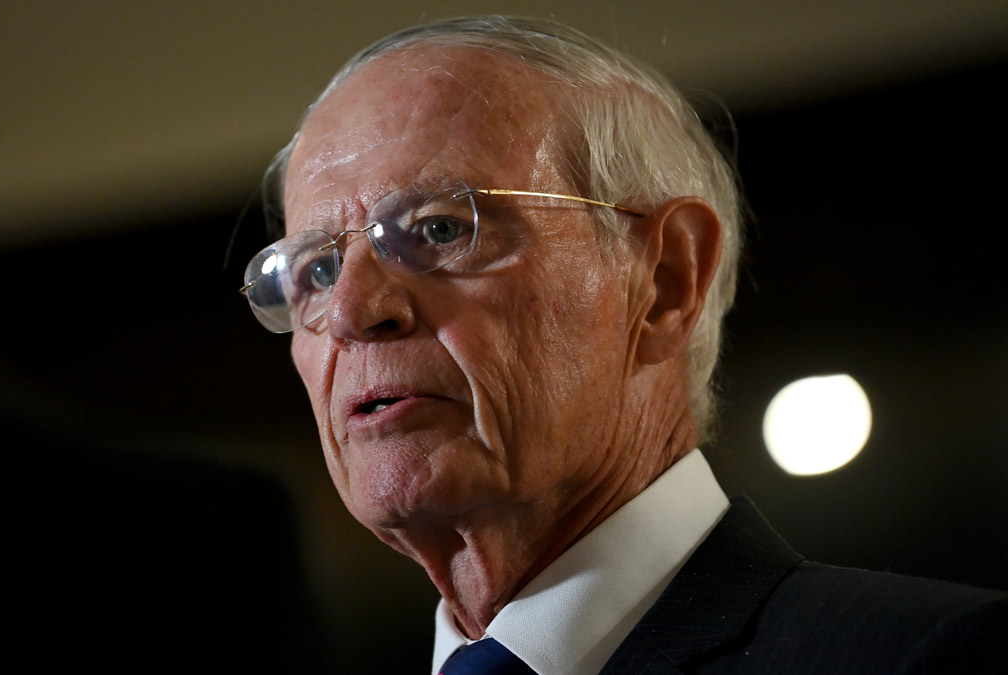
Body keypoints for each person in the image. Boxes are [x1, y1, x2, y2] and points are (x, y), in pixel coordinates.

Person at [238, 15, 1006, 674]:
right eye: (316, 268)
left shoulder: (926, 656)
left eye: (440, 228)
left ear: (665, 278)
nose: (350, 310)